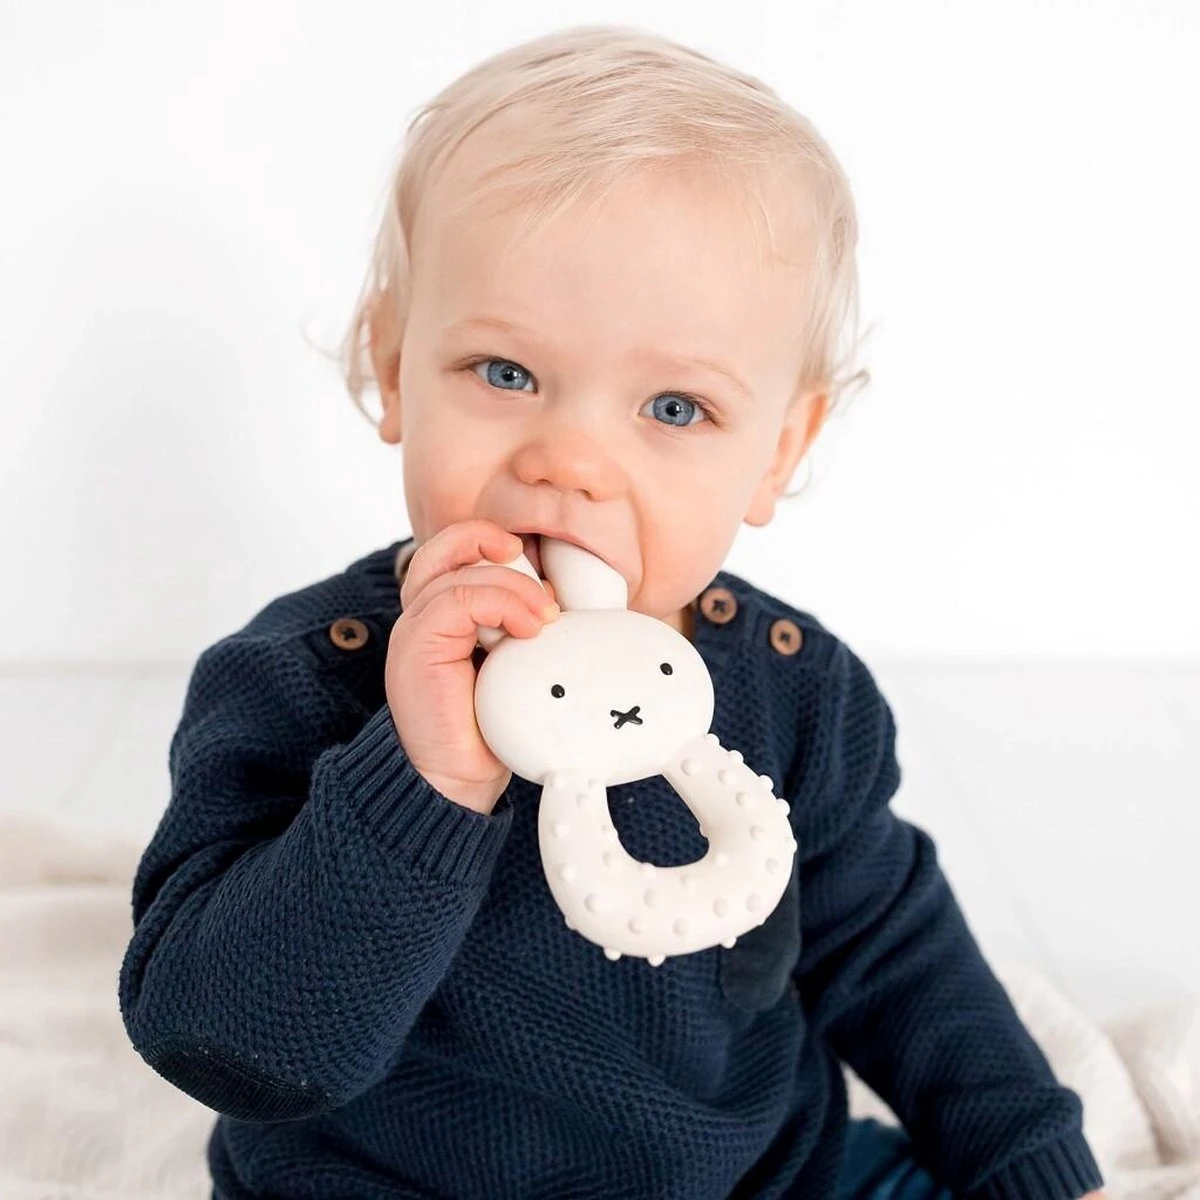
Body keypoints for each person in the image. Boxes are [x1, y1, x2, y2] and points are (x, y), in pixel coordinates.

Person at [118, 25, 1106, 1200]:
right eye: (506, 374)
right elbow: (219, 1042)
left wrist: (1031, 1161)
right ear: (391, 363)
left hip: (756, 1177)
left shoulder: (798, 693)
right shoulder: (295, 678)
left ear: (778, 450)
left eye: (675, 408)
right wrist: (423, 782)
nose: (574, 464)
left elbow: (896, 961)